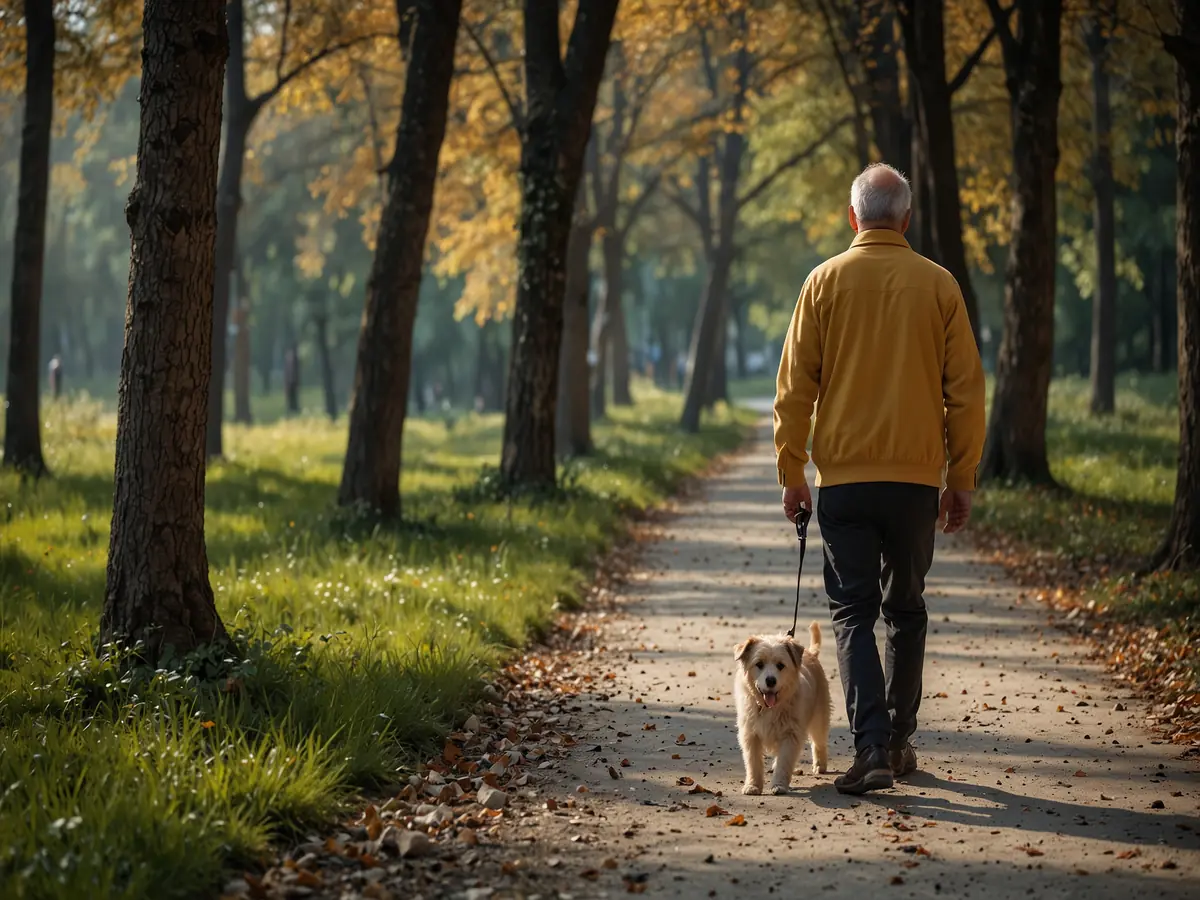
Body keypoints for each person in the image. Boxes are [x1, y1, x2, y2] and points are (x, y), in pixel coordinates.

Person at [773, 163, 986, 795]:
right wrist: (961, 476)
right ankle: (897, 740)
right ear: (907, 220)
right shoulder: (939, 286)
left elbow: (794, 386)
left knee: (852, 614)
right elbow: (965, 392)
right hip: (916, 483)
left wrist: (792, 469)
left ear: (853, 217)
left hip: (845, 482)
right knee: (906, 609)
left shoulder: (823, 282)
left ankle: (869, 747)